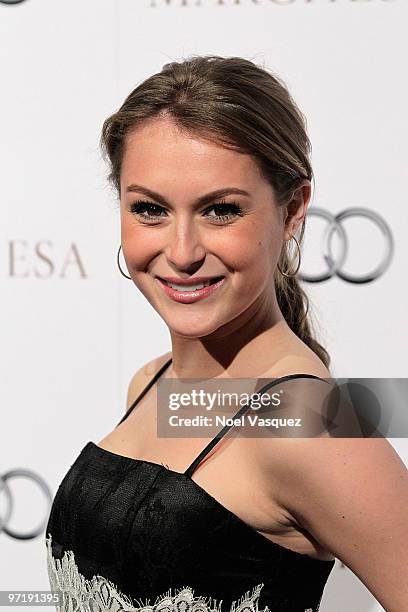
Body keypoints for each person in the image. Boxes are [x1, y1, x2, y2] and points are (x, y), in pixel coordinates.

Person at [45, 55, 408, 612]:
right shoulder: (153, 384)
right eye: (149, 209)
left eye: (220, 210)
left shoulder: (309, 424)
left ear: (292, 210)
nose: (183, 252)